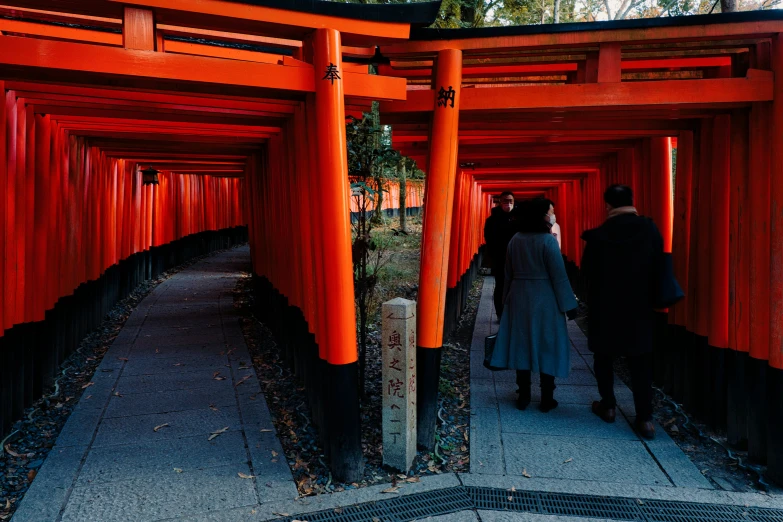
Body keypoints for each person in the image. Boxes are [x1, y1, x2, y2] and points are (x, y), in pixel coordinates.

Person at [581, 185, 665, 440]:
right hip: (639, 307)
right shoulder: (649, 229)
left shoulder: (598, 237)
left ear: (608, 205)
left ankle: (608, 406)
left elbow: (587, 275)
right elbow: (660, 264)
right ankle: (645, 419)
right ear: (632, 201)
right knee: (640, 362)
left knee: (603, 357)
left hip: (606, 307)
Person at [488, 199, 579, 412]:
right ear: (541, 216)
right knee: (547, 344)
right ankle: (547, 397)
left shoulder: (516, 240)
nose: (552, 216)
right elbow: (559, 276)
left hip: (519, 296)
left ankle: (524, 395)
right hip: (546, 298)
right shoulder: (547, 242)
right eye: (550, 212)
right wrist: (569, 305)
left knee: (521, 343)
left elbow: (507, 273)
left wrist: (505, 300)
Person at [483, 191, 516, 319]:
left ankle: (513, 313)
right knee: (501, 285)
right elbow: (489, 239)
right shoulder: (492, 220)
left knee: (516, 286)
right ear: (500, 202)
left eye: (510, 201)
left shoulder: (519, 218)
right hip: (500, 258)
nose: (508, 204)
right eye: (505, 201)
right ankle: (500, 313)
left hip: (516, 259)